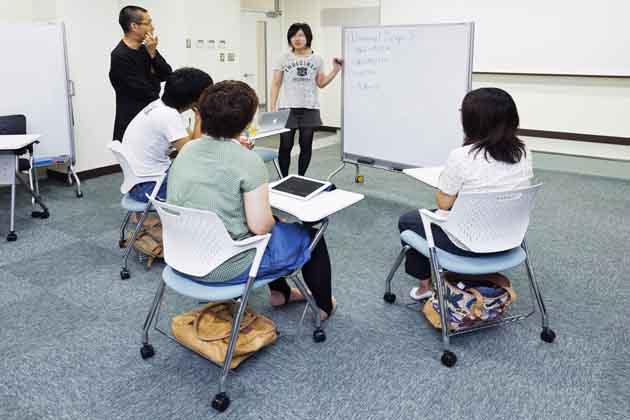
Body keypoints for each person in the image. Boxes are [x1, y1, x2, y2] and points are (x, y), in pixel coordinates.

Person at [167, 80, 336, 319]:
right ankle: (324, 307)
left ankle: (281, 293)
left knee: (275, 224)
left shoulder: (187, 151)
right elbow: (260, 228)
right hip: (225, 266)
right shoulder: (248, 161)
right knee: (310, 236)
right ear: (247, 122)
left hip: (183, 255)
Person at [398, 87, 534, 301]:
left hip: (469, 243)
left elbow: (444, 203)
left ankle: (425, 288)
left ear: (472, 121)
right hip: (509, 239)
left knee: (410, 220)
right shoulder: (523, 152)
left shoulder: (462, 156)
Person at [122, 67, 212, 202]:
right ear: (194, 98)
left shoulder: (160, 106)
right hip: (148, 188)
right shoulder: (168, 116)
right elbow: (193, 154)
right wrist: (199, 117)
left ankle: (139, 216)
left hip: (137, 181)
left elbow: (191, 140)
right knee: (209, 179)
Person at [269, 22, 343, 177]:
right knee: (285, 145)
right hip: (287, 108)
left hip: (310, 108)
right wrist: (272, 106)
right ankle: (283, 178)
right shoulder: (283, 58)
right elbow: (276, 84)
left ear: (308, 37)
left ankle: (301, 177)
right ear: (289, 39)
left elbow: (321, 83)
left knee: (306, 145)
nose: (297, 38)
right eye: (293, 35)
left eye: (301, 35)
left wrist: (335, 70)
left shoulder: (317, 59)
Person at [110, 5, 172, 141]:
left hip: (149, 117)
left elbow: (167, 74)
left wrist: (153, 53)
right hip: (132, 121)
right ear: (134, 26)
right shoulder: (119, 56)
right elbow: (141, 90)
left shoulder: (147, 49)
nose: (152, 27)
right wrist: (154, 81)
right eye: (148, 23)